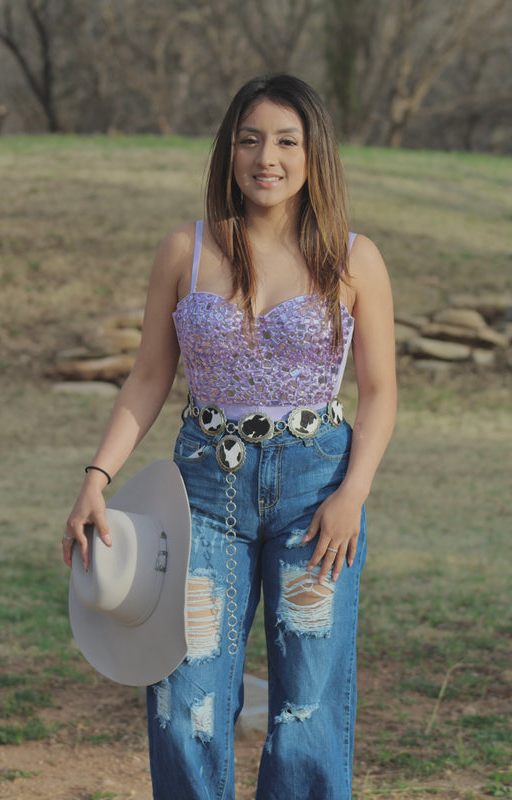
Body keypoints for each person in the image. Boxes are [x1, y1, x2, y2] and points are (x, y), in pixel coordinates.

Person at [63, 74, 397, 800]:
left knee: (307, 706)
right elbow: (149, 377)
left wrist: (352, 495)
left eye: (285, 141)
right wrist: (97, 477)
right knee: (184, 700)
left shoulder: (352, 256)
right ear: (228, 150)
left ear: (314, 156)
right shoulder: (183, 250)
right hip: (202, 491)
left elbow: (380, 393)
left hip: (318, 492)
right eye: (249, 139)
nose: (265, 157)